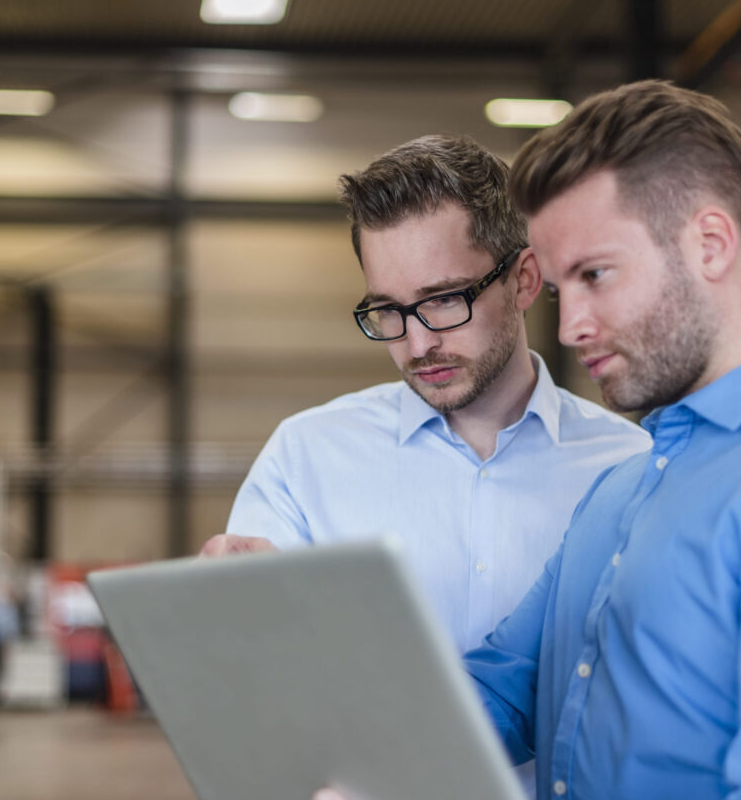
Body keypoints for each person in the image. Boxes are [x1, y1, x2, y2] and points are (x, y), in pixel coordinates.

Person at [289, 81, 741, 800]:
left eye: (595, 275)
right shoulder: (625, 487)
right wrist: (327, 761)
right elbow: (503, 689)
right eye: (560, 287)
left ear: (710, 243)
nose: (569, 326)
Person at [203, 135, 649, 661]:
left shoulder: (629, 468)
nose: (418, 345)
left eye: (443, 300)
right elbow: (256, 669)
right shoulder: (305, 459)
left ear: (524, 280)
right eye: (387, 311)